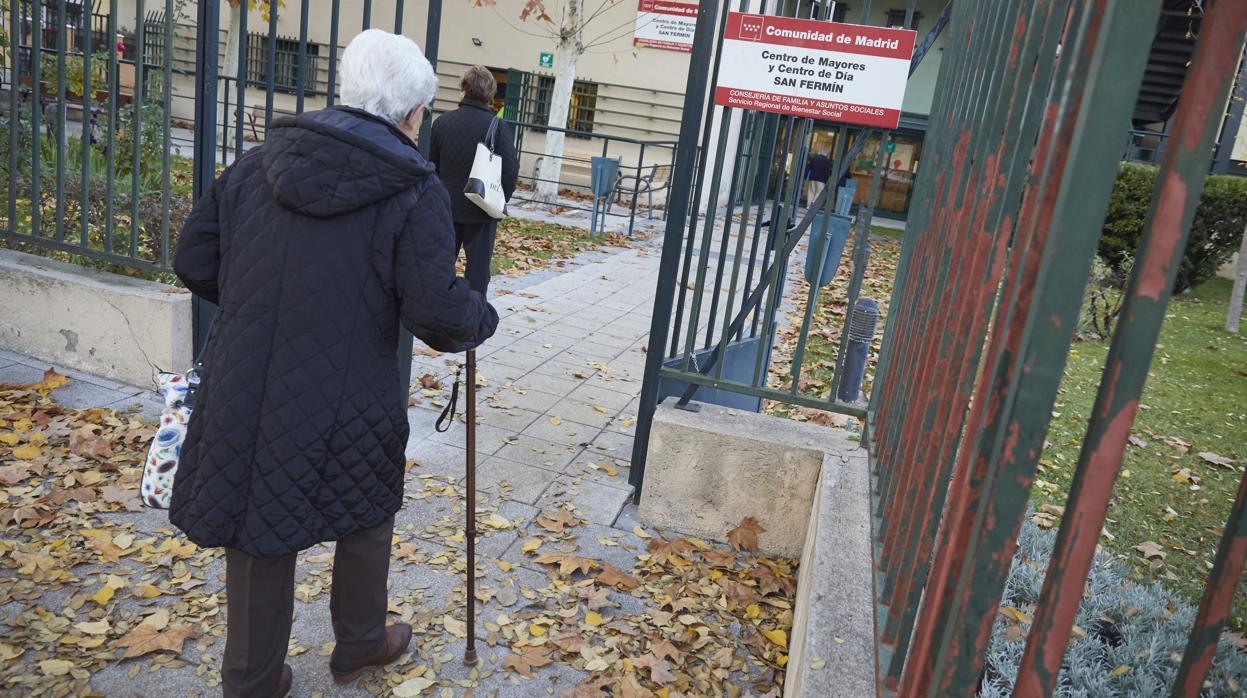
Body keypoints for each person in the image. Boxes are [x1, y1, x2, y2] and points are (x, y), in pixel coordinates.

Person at [171, 29, 498, 697]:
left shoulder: (257, 163)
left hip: (246, 378)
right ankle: (359, 644)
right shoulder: (413, 189)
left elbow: (193, 259)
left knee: (261, 519)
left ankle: (252, 678)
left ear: (346, 90)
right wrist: (480, 318)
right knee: (364, 510)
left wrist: (263, 309)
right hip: (351, 389)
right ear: (414, 114)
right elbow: (437, 313)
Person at [428, 65, 519, 295]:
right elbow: (510, 172)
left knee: (440, 266)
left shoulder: (442, 123)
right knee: (477, 272)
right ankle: (472, 321)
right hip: (481, 210)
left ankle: (439, 312)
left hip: (447, 208)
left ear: (464, 89)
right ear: (490, 94)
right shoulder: (498, 127)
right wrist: (498, 200)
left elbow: (432, 167)